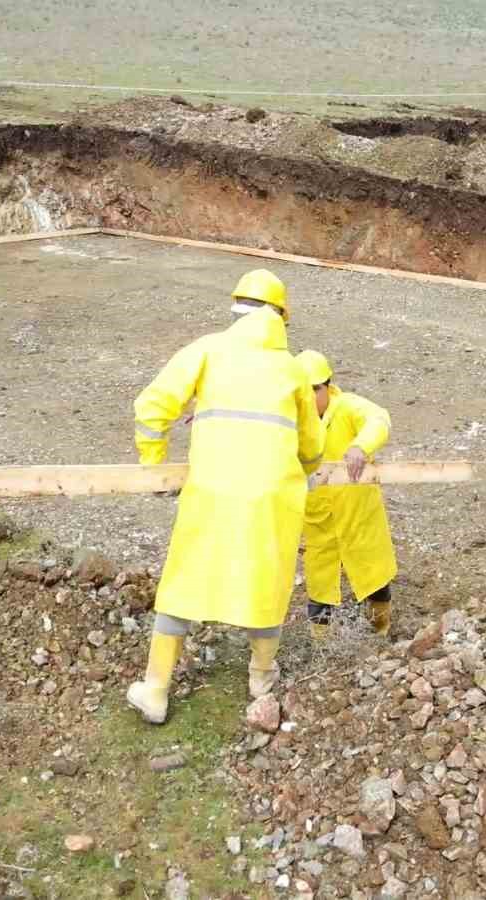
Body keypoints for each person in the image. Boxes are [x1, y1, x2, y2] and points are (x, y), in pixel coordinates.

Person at [126, 269, 326, 725]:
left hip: (213, 490)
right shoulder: (293, 369)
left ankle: (155, 689)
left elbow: (152, 405)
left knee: (185, 578)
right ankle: (260, 677)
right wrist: (303, 468)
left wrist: (154, 461)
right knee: (266, 581)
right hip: (272, 497)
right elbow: (311, 448)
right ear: (281, 318)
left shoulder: (208, 350)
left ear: (237, 310)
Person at [295, 350, 398, 639]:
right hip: (318, 517)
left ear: (327, 386)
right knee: (320, 584)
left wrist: (360, 447)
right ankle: (320, 644)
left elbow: (379, 418)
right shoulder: (291, 417)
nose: (309, 397)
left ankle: (381, 631)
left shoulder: (348, 407)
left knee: (374, 574)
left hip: (358, 511)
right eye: (302, 391)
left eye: (314, 389)